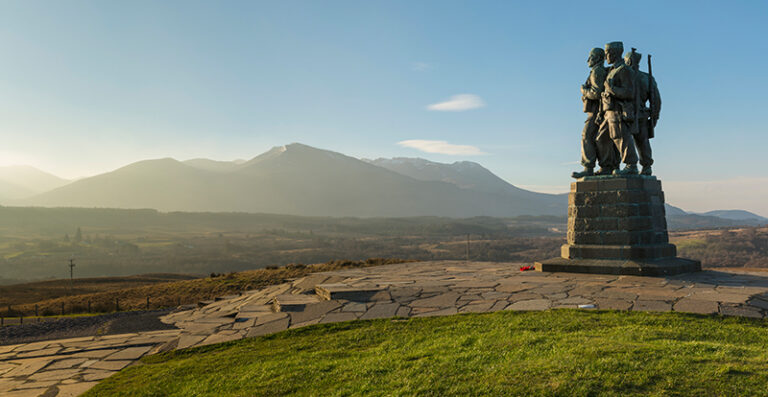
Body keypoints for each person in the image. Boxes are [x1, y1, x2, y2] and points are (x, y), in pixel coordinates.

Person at [572, 48, 617, 178]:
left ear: (597, 58)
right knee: (600, 139)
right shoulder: (598, 71)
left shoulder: (597, 71)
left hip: (597, 112)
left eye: (590, 57)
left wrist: (584, 90)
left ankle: (589, 167)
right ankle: (604, 166)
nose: (588, 60)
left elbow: (597, 93)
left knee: (587, 136)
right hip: (600, 111)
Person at [599, 41, 638, 175]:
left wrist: (611, 89)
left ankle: (631, 165)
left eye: (607, 54)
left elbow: (629, 92)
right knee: (601, 139)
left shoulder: (624, 70)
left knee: (621, 137)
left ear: (614, 53)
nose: (605, 57)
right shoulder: (612, 70)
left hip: (618, 110)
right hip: (608, 110)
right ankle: (607, 166)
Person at [624, 50, 661, 175]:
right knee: (642, 141)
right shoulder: (647, 77)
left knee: (629, 140)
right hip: (641, 114)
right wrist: (655, 117)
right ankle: (646, 166)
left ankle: (634, 165)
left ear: (629, 61)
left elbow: (655, 100)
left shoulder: (626, 77)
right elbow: (656, 100)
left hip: (628, 115)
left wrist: (654, 117)